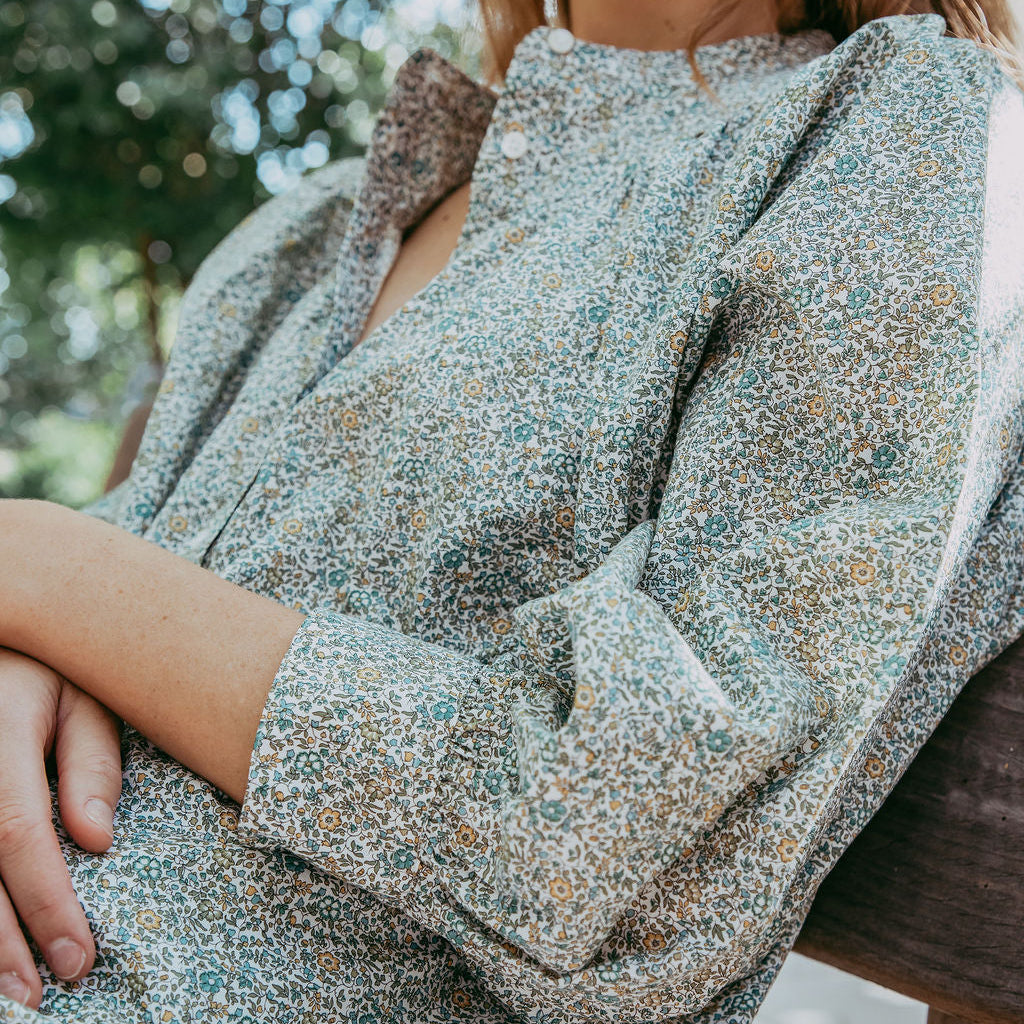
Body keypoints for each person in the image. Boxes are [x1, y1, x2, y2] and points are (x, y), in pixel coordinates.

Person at [1, 0, 1022, 1020]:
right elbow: (94, 570)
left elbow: (629, 859)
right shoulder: (309, 230)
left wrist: (54, 573)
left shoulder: (907, 129)